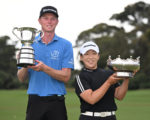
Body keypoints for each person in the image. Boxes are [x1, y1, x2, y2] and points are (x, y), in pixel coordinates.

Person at [17, 6, 74, 120]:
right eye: (45, 18)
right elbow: (21, 78)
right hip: (35, 101)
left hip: (56, 102)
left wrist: (45, 68)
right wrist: (25, 66)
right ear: (39, 21)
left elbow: (66, 77)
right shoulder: (28, 44)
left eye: (52, 18)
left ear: (57, 22)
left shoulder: (66, 44)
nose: (49, 21)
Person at [74, 41, 135, 120]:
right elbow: (91, 99)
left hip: (111, 117)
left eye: (94, 53)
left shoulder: (108, 73)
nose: (91, 57)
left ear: (98, 56)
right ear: (81, 57)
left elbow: (119, 96)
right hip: (90, 117)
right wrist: (108, 82)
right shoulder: (81, 77)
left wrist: (127, 77)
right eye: (87, 54)